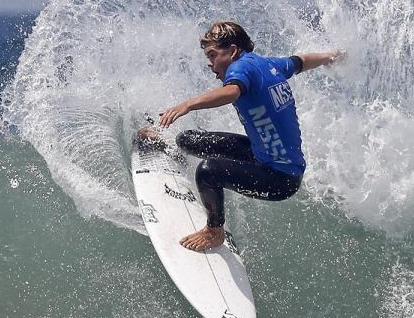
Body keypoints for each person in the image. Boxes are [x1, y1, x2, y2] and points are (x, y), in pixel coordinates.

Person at [141, 20, 342, 252]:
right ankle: (172, 149)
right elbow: (302, 61)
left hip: (280, 179)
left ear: (233, 51)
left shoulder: (240, 69)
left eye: (213, 55)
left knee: (208, 171)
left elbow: (232, 91)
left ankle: (214, 231)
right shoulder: (271, 65)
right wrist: (330, 57)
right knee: (187, 139)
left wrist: (188, 105)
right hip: (260, 154)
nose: (210, 63)